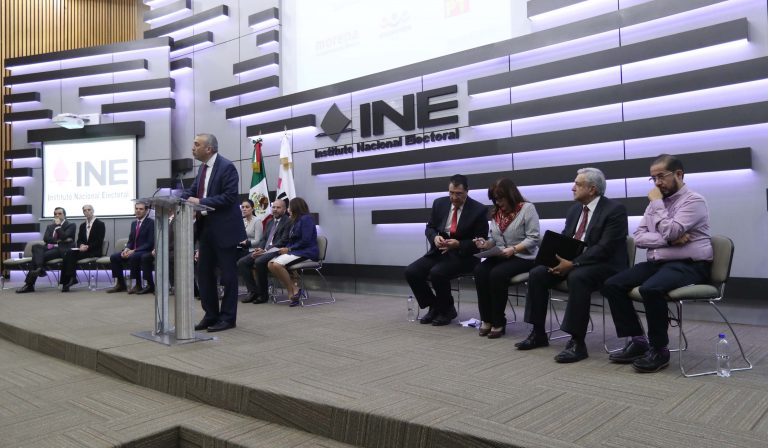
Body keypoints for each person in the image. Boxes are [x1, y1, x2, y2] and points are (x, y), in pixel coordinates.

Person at [602, 154, 712, 373]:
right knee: (612, 284)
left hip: (689, 265)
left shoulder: (693, 201)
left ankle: (659, 350)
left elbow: (671, 230)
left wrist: (659, 207)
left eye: (661, 177)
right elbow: (639, 237)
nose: (657, 183)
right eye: (653, 178)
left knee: (650, 289)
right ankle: (638, 340)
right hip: (659, 263)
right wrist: (669, 239)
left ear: (679, 174)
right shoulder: (656, 202)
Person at [516, 167, 628, 364]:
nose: (572, 188)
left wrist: (574, 263)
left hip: (605, 265)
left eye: (577, 184)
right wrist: (553, 258)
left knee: (578, 277)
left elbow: (605, 248)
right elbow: (568, 240)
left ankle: (577, 342)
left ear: (592, 189)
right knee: (538, 273)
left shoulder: (614, 210)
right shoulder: (575, 209)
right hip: (575, 263)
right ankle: (538, 332)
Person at [404, 174, 489, 326]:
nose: (454, 197)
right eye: (451, 193)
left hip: (464, 255)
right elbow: (429, 227)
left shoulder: (479, 210)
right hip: (439, 251)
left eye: (458, 194)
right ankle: (435, 306)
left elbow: (481, 241)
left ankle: (446, 310)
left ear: (467, 191)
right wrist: (435, 237)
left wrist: (459, 244)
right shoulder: (439, 203)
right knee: (412, 272)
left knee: (437, 272)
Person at [183, 133, 246, 333]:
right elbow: (192, 192)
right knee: (204, 275)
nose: (192, 148)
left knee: (228, 277)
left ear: (208, 149)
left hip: (225, 230)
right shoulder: (202, 169)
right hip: (206, 229)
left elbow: (229, 197)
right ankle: (211, 315)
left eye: (196, 144)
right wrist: (177, 199)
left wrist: (200, 202)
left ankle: (228, 318)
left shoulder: (227, 167)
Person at [473, 178, 540, 338]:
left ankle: (498, 322)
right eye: (495, 199)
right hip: (502, 254)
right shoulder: (497, 213)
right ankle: (486, 320)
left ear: (511, 195)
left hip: (523, 256)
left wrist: (514, 249)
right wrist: (485, 244)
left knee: (497, 274)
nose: (498, 202)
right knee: (480, 271)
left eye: (500, 198)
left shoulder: (527, 209)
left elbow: (534, 238)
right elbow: (493, 239)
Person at [237, 197, 291, 304]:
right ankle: (253, 292)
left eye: (278, 207)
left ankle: (263, 295)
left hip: (277, 250)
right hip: (264, 250)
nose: (275, 209)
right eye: (273, 207)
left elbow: (283, 241)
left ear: (284, 210)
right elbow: (264, 239)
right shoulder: (270, 221)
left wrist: (266, 250)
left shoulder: (288, 222)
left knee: (259, 261)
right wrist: (260, 248)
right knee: (242, 262)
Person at [268, 197, 319, 307]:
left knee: (277, 264)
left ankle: (292, 291)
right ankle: (294, 288)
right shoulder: (295, 221)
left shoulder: (306, 219)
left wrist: (289, 249)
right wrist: (284, 249)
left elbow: (305, 240)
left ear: (296, 208)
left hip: (307, 252)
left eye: (290, 207)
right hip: (296, 251)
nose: (288, 210)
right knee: (270, 264)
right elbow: (292, 240)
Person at [16, 207, 76, 293]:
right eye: (55, 214)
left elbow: (64, 236)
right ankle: (40, 268)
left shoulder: (71, 225)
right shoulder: (50, 226)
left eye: (59, 213)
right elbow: (46, 239)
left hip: (61, 249)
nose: (57, 215)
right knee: (36, 246)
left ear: (64, 215)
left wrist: (58, 227)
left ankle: (29, 284)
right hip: (49, 247)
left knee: (36, 258)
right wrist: (59, 240)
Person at [107, 201, 155, 294]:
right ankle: (121, 284)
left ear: (146, 210)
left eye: (141, 209)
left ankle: (138, 285)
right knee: (114, 257)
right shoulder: (134, 223)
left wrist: (134, 250)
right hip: (133, 251)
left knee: (134, 256)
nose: (138, 211)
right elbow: (131, 241)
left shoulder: (151, 223)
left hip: (145, 250)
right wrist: (127, 249)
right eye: (136, 209)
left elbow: (150, 243)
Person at [60, 204, 106, 292]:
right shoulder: (82, 225)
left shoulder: (100, 224)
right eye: (85, 210)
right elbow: (79, 239)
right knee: (68, 253)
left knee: (70, 256)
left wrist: (87, 246)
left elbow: (99, 241)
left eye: (89, 210)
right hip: (83, 250)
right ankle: (67, 281)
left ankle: (71, 279)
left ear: (93, 211)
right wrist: (81, 245)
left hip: (94, 250)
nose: (87, 212)